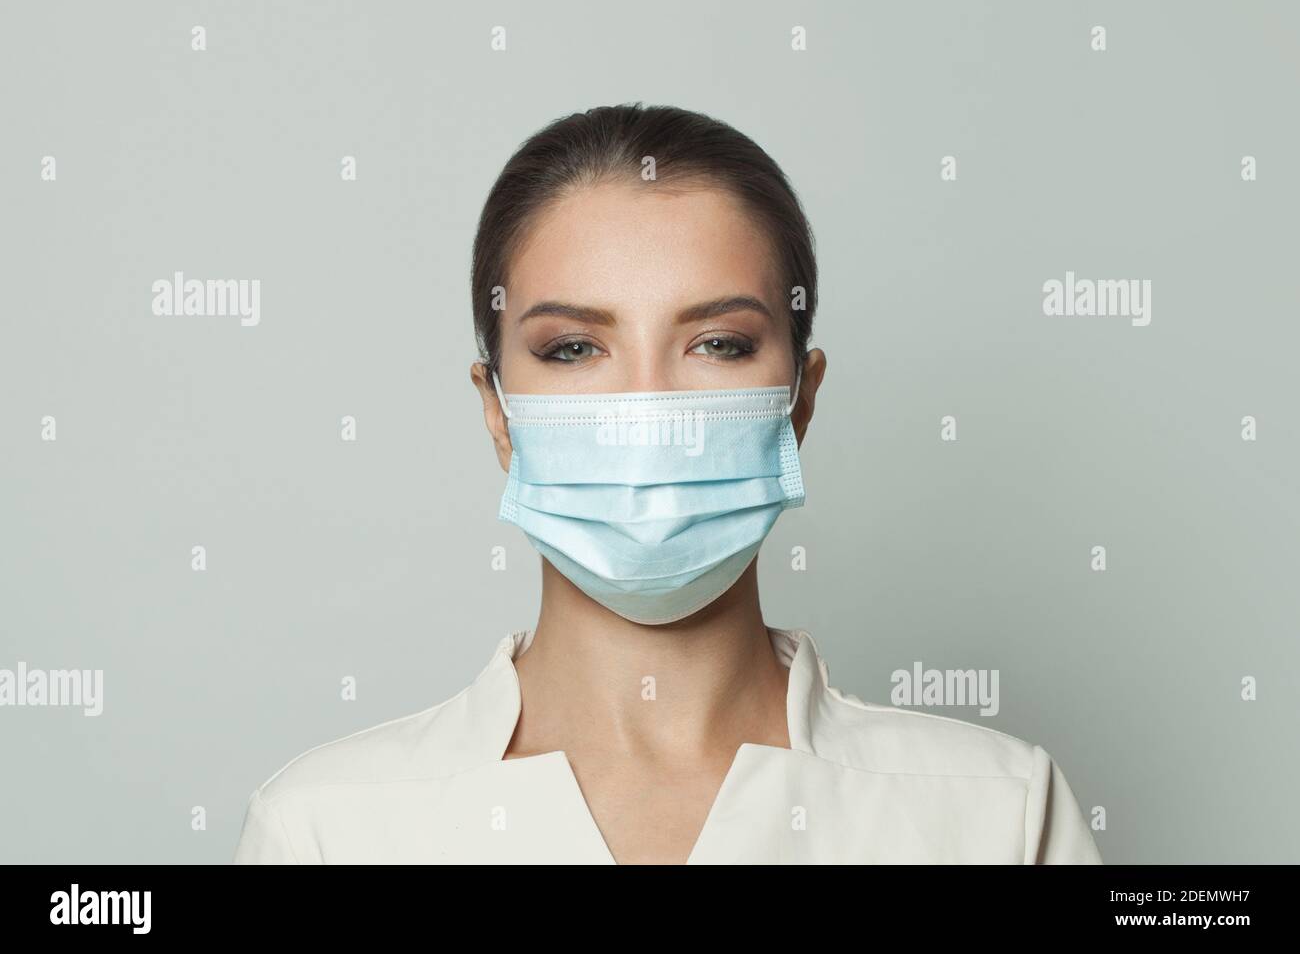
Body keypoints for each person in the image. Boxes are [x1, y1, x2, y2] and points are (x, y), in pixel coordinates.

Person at [233, 103, 1102, 864]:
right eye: (573, 348)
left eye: (718, 344)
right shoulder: (328, 832)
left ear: (799, 400)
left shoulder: (996, 816)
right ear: (498, 412)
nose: (648, 411)